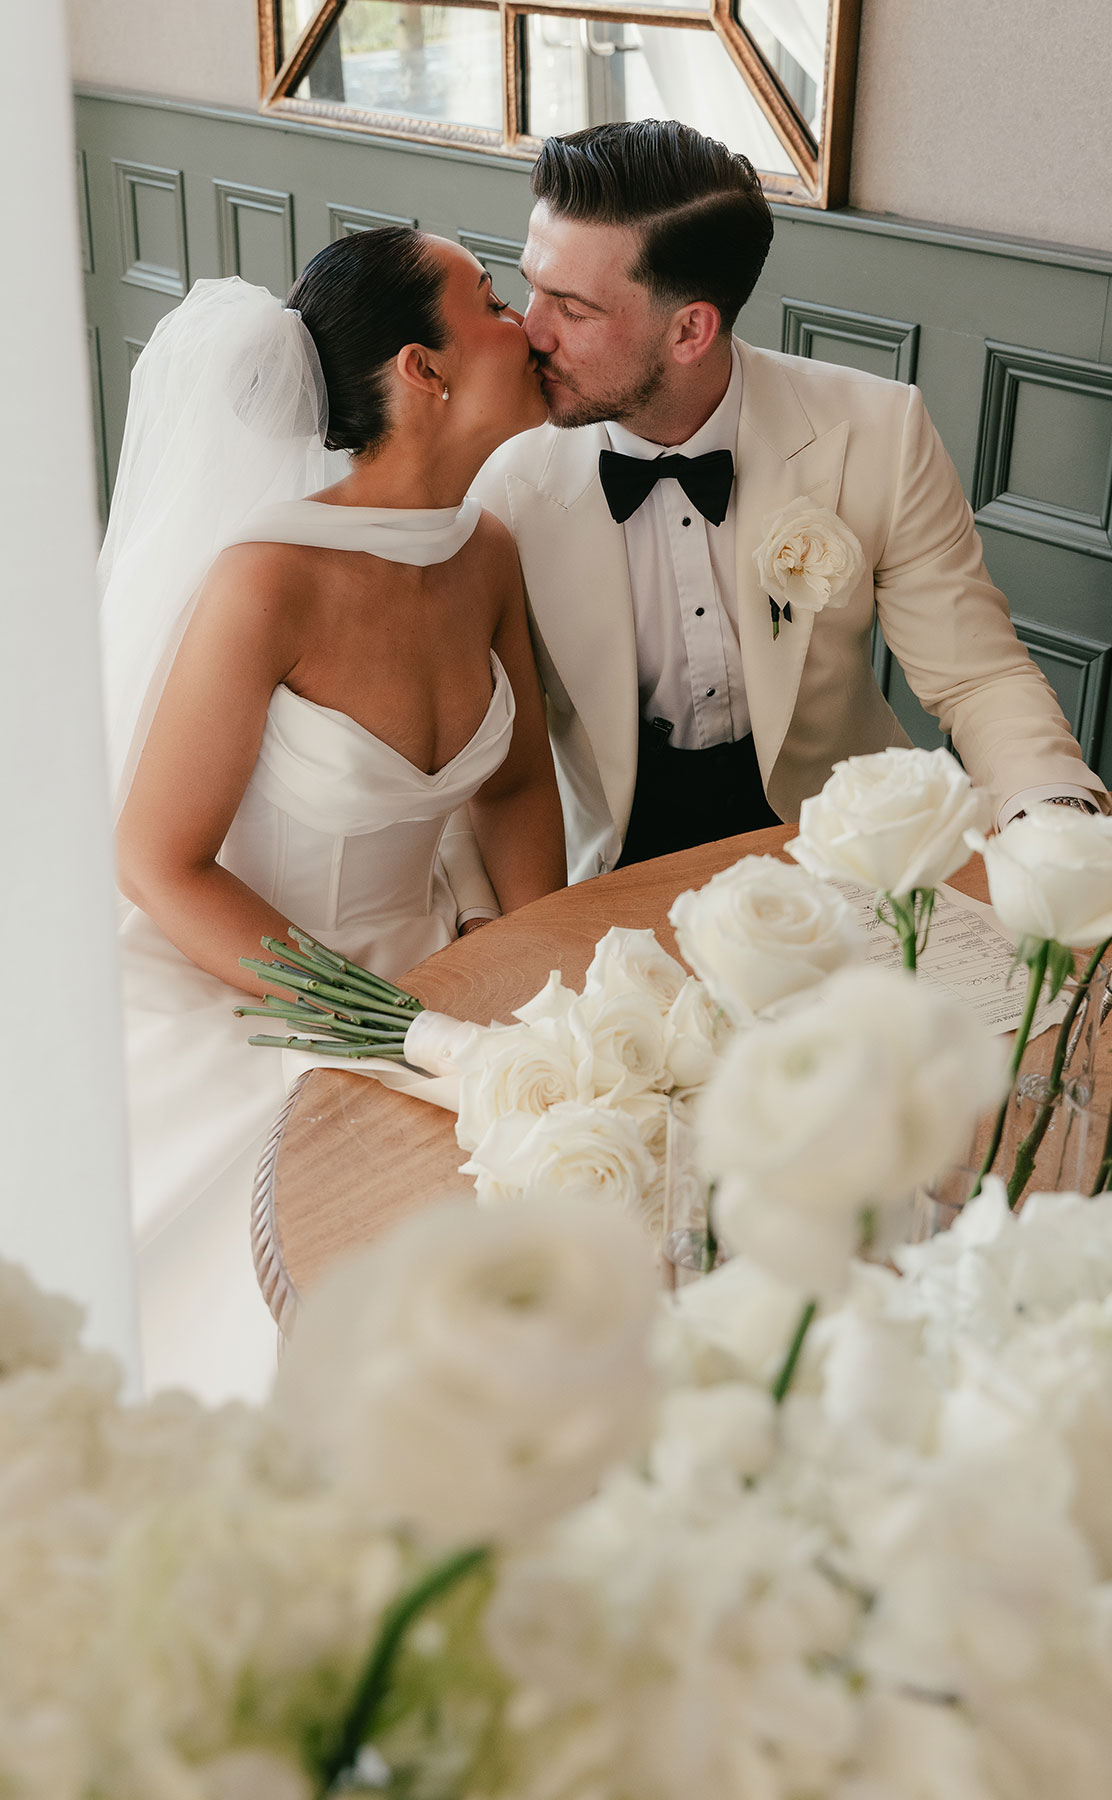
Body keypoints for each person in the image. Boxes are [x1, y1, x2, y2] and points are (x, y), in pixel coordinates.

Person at [103, 230, 566, 1404]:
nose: (529, 323)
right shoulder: (269, 579)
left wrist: (556, 981)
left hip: (441, 979)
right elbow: (159, 863)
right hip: (254, 991)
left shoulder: (488, 554)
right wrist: (381, 1027)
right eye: (493, 302)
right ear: (426, 368)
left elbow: (513, 784)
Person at [469, 120, 1106, 883]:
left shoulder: (880, 430)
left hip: (845, 839)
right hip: (607, 857)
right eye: (530, 284)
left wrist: (1060, 834)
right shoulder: (498, 473)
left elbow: (978, 678)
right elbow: (467, 747)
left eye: (571, 309)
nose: (529, 331)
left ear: (690, 330)